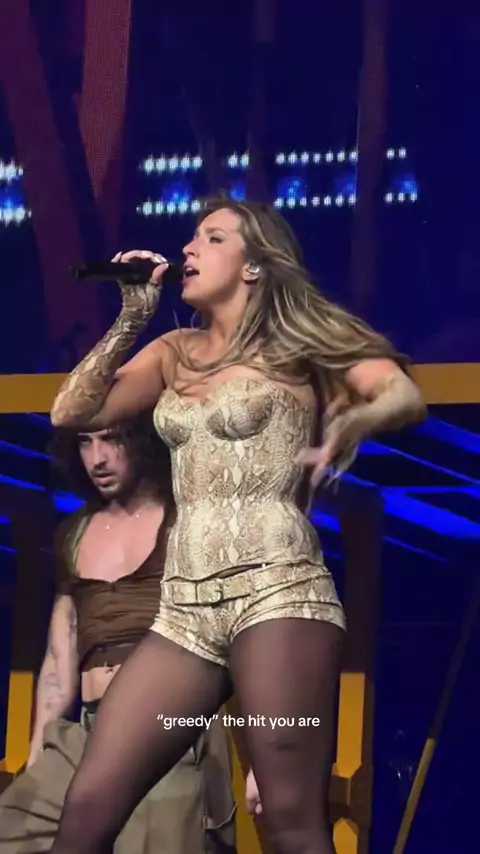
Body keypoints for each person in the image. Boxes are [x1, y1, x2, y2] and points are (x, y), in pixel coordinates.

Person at [48, 196, 426, 854]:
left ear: (254, 266)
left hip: (277, 593)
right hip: (184, 611)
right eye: (192, 237)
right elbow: (71, 413)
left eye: (212, 237)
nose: (189, 248)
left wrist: (356, 421)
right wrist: (132, 317)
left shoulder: (299, 344)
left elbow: (402, 394)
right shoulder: (175, 351)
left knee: (289, 821)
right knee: (85, 813)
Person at [0, 415, 236, 854]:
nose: (98, 459)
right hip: (88, 732)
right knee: (12, 829)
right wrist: (38, 755)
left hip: (166, 727)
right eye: (85, 443)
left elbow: (239, 633)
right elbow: (60, 659)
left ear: (142, 441)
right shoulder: (73, 534)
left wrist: (264, 759)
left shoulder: (187, 524)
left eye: (111, 440)